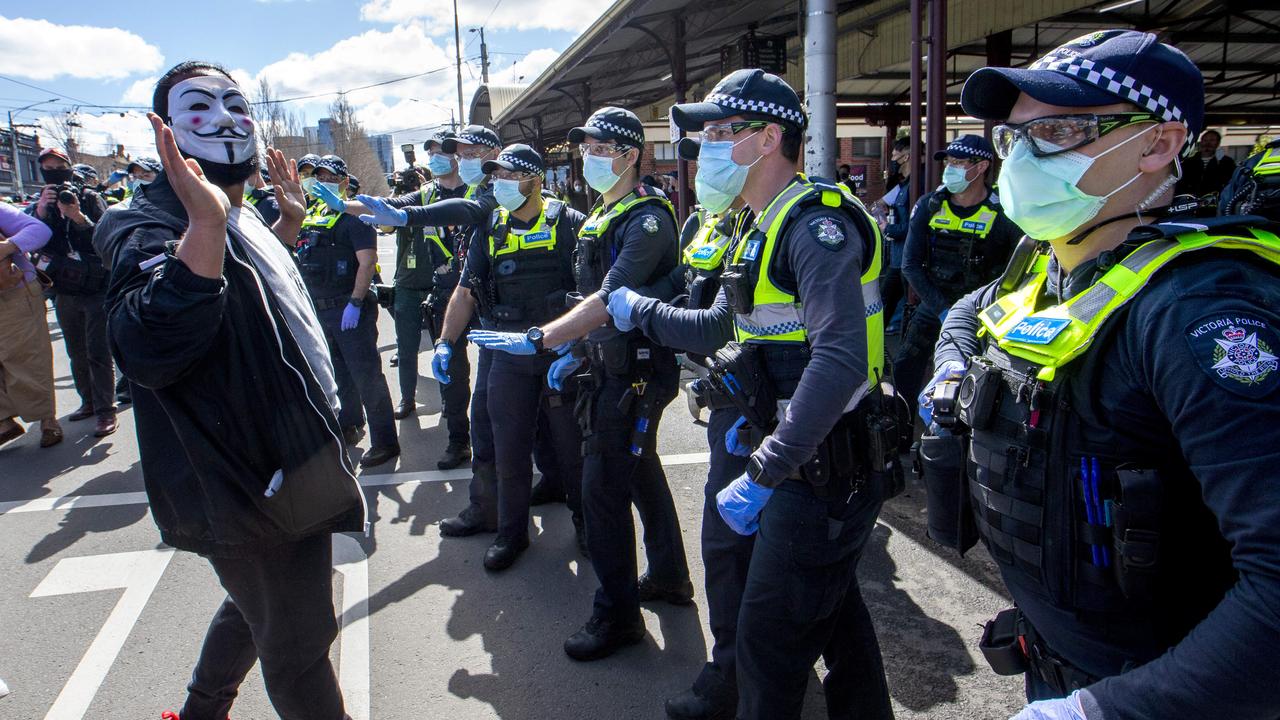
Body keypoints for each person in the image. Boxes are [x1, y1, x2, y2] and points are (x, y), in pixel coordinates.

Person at [921, 29, 1280, 720]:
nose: (1022, 158)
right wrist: (950, 368)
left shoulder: (1197, 310)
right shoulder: (1051, 260)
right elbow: (972, 308)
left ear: (1158, 145)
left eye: (1055, 131)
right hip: (1056, 661)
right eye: (1015, 138)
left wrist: (1103, 711)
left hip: (1163, 692)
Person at [611, 68, 896, 720]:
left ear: (769, 137)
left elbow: (842, 359)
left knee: (770, 649)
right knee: (836, 618)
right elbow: (726, 325)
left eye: (718, 134)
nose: (703, 150)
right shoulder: (756, 222)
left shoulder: (813, 227)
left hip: (819, 464)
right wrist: (647, 313)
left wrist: (768, 468)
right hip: (800, 448)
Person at [96, 60, 363, 720]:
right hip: (246, 482)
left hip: (294, 460)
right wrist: (208, 226)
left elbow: (245, 300)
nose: (224, 120)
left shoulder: (241, 217)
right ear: (166, 134)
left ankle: (200, 710)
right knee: (299, 642)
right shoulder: (145, 225)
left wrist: (287, 229)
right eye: (199, 108)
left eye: (236, 106)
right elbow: (148, 346)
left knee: (261, 607)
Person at [468, 106, 693, 662]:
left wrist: (544, 340)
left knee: (601, 492)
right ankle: (668, 575)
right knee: (640, 472)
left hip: (634, 374)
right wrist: (575, 346)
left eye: (600, 148)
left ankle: (617, 616)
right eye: (585, 148)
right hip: (609, 364)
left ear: (631, 155)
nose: (588, 157)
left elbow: (608, 297)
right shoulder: (603, 212)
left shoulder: (646, 218)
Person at [604, 135, 755, 720]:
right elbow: (683, 285)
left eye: (721, 141)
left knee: (731, 552)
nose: (704, 160)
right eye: (701, 148)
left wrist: (637, 310)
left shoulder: (790, 220)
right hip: (729, 397)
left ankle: (733, 677)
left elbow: (713, 323)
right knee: (753, 558)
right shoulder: (716, 220)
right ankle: (751, 667)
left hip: (765, 412)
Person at [429, 143, 587, 570]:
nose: (498, 184)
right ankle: (510, 534)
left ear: (534, 180)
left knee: (573, 450)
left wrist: (578, 347)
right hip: (507, 356)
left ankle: (586, 525)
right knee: (508, 450)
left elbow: (594, 294)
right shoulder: (491, 229)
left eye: (508, 176)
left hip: (560, 355)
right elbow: (465, 291)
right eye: (494, 176)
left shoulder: (570, 223)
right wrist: (446, 341)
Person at [354, 125, 505, 533]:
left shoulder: (499, 190)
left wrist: (407, 216)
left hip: (499, 302)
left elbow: (468, 212)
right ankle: (460, 442)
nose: (462, 157)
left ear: (491, 152)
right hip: (453, 291)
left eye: (470, 151)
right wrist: (346, 205)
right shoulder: (441, 191)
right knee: (454, 374)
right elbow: (395, 204)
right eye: (461, 151)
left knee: (508, 395)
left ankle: (526, 469)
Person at [895, 134, 1021, 417]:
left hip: (984, 309)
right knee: (905, 366)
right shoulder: (930, 206)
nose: (951, 168)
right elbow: (910, 265)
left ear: (982, 167)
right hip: (935, 304)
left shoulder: (1003, 213)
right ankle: (903, 431)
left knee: (986, 374)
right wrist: (942, 309)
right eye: (949, 161)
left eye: (960, 162)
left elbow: (1016, 269)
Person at [292, 154, 399, 468]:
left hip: (349, 307)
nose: (318, 182)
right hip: (320, 310)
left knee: (367, 375)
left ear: (341, 181)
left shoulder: (354, 216)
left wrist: (355, 302)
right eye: (314, 176)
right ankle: (350, 423)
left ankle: (385, 441)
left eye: (326, 177)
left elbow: (366, 263)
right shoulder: (312, 214)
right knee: (339, 374)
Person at [27, 147, 116, 437]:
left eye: (58, 166)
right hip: (63, 288)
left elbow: (106, 238)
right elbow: (31, 242)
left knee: (98, 350)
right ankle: (88, 402)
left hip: (94, 287)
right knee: (76, 350)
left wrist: (77, 216)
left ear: (69, 166)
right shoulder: (40, 204)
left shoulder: (89, 198)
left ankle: (105, 411)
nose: (53, 173)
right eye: (47, 168)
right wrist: (41, 211)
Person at [0, 201, 61, 448]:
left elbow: (39, 230)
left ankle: (48, 421)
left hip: (13, 293)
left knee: (29, 357)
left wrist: (8, 246)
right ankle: (4, 422)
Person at [880, 136, 917, 334]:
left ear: (906, 156)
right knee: (889, 298)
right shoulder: (904, 186)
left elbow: (913, 226)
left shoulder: (916, 185)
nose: (893, 161)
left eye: (895, 155)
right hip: (899, 256)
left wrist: (888, 228)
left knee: (890, 298)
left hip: (907, 256)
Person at [1176, 128, 1236, 199]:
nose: (1208, 143)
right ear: (1201, 142)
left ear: (1218, 143)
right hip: (1191, 201)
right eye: (1205, 140)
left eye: (1212, 140)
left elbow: (1230, 183)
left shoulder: (1226, 163)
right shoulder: (1188, 162)